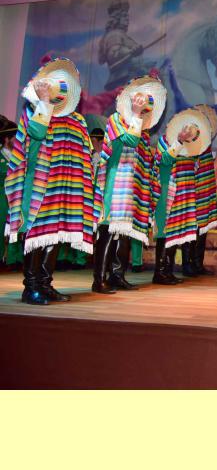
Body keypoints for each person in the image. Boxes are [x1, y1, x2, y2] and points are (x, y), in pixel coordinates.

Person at [5, 58, 94, 304]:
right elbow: (36, 134)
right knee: (37, 234)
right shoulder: (34, 112)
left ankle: (45, 284)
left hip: (65, 189)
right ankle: (31, 287)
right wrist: (43, 101)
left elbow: (85, 154)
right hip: (38, 186)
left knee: (55, 235)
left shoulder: (76, 120)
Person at [93, 75, 166, 293]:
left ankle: (117, 275)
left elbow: (145, 161)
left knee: (125, 232)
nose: (143, 107)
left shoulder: (143, 132)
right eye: (139, 102)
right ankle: (99, 279)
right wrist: (135, 114)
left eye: (145, 106)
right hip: (116, 186)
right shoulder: (116, 120)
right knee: (108, 229)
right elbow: (130, 140)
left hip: (132, 190)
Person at [150, 108, 211, 284]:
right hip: (167, 193)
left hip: (183, 195)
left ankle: (167, 270)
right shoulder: (165, 141)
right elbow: (163, 161)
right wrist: (178, 142)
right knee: (164, 232)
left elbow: (193, 169)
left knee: (175, 232)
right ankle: (160, 272)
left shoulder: (191, 148)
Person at [192, 104, 217, 275]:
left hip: (205, 192)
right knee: (193, 230)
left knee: (203, 230)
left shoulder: (206, 145)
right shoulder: (191, 145)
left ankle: (198, 264)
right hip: (194, 192)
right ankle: (189, 265)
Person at [0, 115, 21, 269]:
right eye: (15, 138)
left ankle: (14, 259)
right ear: (7, 139)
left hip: (16, 197)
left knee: (16, 228)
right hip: (2, 197)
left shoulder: (19, 156)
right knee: (1, 227)